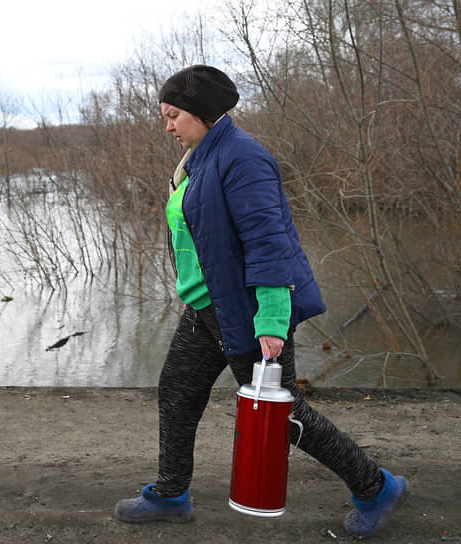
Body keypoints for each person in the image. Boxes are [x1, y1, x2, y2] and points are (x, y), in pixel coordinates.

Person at [113, 65, 409, 539]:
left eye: (173, 115)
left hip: (246, 313)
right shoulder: (200, 157)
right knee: (177, 394)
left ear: (202, 114)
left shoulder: (243, 159)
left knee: (284, 417)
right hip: (206, 309)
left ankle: (377, 487)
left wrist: (272, 318)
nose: (167, 126)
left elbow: (269, 243)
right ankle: (170, 494)